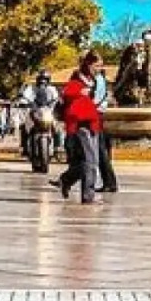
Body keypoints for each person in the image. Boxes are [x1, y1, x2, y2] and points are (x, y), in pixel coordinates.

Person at [67, 52, 118, 194]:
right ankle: (77, 186)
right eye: (97, 65)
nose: (99, 68)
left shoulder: (97, 79)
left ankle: (70, 182)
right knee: (90, 157)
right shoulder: (79, 78)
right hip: (82, 120)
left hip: (94, 118)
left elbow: (98, 98)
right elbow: (68, 94)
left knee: (94, 156)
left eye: (100, 66)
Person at [56, 70, 103, 204]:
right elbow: (67, 94)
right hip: (81, 126)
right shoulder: (76, 84)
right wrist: (81, 92)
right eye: (95, 66)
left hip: (91, 125)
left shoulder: (92, 85)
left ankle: (66, 179)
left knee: (89, 163)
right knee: (90, 162)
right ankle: (88, 196)